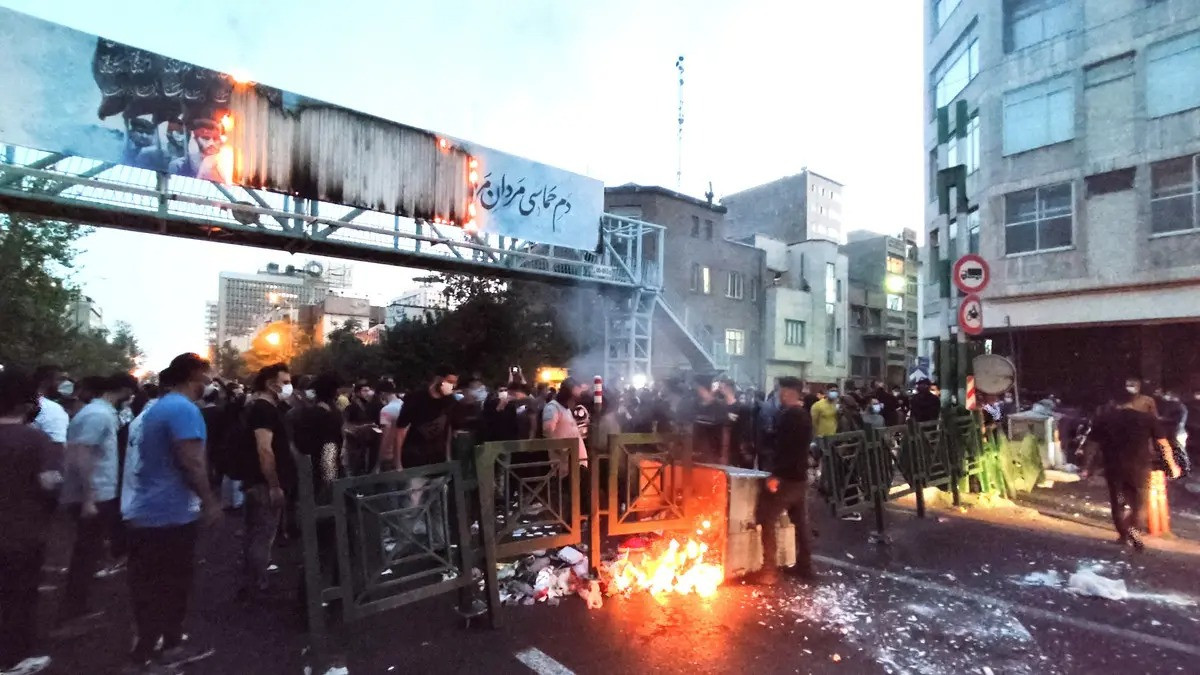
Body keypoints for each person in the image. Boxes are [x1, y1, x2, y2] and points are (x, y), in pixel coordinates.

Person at [123, 353, 220, 671]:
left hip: (149, 510)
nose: (211, 379)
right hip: (170, 513)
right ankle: (164, 649)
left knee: (151, 584)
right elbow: (191, 462)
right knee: (172, 584)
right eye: (208, 373)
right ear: (195, 374)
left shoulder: (160, 408)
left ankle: (150, 647)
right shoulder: (183, 409)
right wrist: (209, 500)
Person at [57, 372, 137, 630]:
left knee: (87, 551)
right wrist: (89, 498)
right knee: (85, 552)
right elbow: (82, 454)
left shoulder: (98, 413)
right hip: (94, 494)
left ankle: (76, 606)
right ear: (124, 390)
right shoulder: (98, 415)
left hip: (96, 492)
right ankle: (73, 610)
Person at [0, 369, 58, 675]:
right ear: (25, 403)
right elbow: (50, 483)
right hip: (23, 533)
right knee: (19, 596)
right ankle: (14, 658)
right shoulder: (35, 440)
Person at [1084, 389, 1179, 551]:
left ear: (1115, 402)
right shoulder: (1148, 419)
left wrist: (1087, 467)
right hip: (1139, 467)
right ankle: (1134, 531)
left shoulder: (1105, 418)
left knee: (1118, 500)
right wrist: (1172, 465)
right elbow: (1163, 444)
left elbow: (1092, 444)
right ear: (1137, 402)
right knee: (1139, 503)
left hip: (1114, 466)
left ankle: (1123, 535)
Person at [750, 377, 814, 585]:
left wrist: (775, 475)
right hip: (800, 477)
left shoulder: (789, 417)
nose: (779, 396)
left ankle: (768, 570)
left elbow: (785, 450)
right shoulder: (804, 415)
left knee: (766, 517)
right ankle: (805, 566)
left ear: (788, 393)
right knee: (800, 522)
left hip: (786, 478)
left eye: (781, 392)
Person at [238, 363, 293, 601]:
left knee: (256, 533)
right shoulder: (263, 410)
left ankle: (253, 580)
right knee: (262, 534)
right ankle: (257, 584)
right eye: (286, 381)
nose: (289, 386)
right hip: (263, 484)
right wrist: (274, 485)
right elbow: (265, 449)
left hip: (257, 482)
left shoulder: (262, 407)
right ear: (272, 384)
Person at [543, 378, 588, 476]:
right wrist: (562, 453)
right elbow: (548, 433)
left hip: (577, 463)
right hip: (565, 467)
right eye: (575, 397)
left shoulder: (566, 409)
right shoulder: (552, 408)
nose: (576, 401)